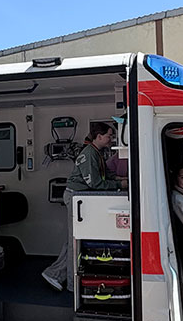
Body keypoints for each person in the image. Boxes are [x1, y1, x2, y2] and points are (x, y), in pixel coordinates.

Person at [42, 122, 128, 291]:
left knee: (73, 239)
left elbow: (104, 173)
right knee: (74, 241)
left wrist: (119, 178)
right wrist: (120, 186)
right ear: (99, 136)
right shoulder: (89, 154)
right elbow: (95, 182)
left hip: (80, 197)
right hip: (76, 196)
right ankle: (66, 281)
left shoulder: (96, 153)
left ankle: (55, 273)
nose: (111, 139)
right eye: (110, 136)